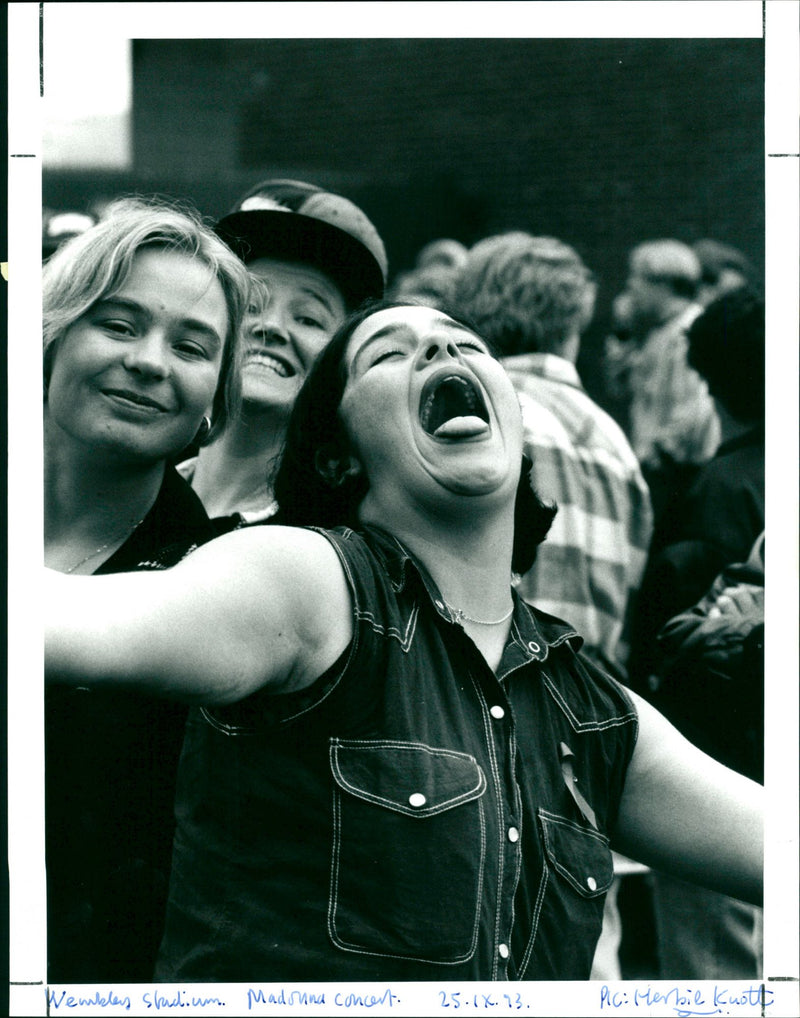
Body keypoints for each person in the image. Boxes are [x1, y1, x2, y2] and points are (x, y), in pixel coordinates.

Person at [45, 301, 762, 983]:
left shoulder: (588, 706)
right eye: (388, 354)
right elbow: (68, 622)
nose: (440, 348)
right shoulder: (307, 580)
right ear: (336, 458)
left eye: (468, 344)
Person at [43, 195, 251, 982]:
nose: (151, 362)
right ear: (51, 335)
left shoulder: (218, 582)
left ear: (214, 399)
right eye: (120, 324)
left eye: (192, 346)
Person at [452, 232, 655, 979]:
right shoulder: (614, 441)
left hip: (482, 719)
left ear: (475, 307)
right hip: (589, 728)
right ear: (575, 319)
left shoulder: (477, 415)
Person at [627, 287, 765, 980]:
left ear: (710, 381)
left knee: (716, 974)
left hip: (722, 786)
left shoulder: (716, 493)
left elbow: (679, 650)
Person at [179, 178, 387, 531]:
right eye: (252, 304)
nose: (271, 326)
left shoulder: (328, 538)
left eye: (308, 318)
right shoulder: (128, 484)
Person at [604, 239, 720, 518]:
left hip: (675, 473)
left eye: (638, 278)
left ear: (663, 283)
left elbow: (694, 408)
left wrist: (653, 456)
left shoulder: (689, 330)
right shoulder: (659, 333)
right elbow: (618, 388)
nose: (631, 287)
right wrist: (623, 332)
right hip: (658, 469)